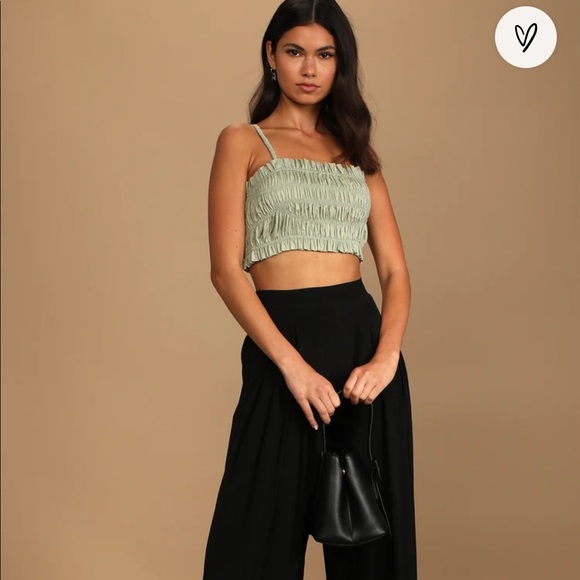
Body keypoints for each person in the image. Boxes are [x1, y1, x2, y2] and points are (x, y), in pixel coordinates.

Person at [203, 0, 417, 578]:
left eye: (325, 55)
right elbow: (226, 271)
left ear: (340, 64)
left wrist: (386, 358)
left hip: (363, 356)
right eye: (295, 51)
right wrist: (292, 367)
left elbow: (394, 272)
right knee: (252, 543)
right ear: (271, 56)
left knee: (372, 551)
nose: (309, 68)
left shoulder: (357, 152)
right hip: (281, 349)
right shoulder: (242, 141)